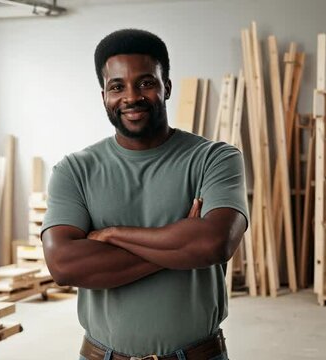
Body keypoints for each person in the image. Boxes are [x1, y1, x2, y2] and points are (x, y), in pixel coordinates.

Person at [41, 29, 248, 360]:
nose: (131, 96)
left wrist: (112, 235)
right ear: (104, 95)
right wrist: (180, 245)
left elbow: (214, 244)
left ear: (166, 87)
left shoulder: (215, 158)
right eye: (117, 86)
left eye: (146, 82)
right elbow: (64, 265)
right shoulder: (74, 170)